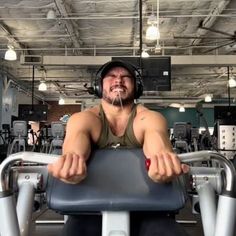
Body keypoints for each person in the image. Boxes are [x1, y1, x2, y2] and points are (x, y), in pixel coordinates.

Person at [47, 60, 190, 236]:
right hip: (90, 211)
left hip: (148, 210)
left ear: (136, 86)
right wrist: (71, 163)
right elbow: (76, 146)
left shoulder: (149, 117)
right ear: (99, 87)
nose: (118, 80)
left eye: (125, 77)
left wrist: (161, 162)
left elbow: (156, 139)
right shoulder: (83, 118)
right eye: (112, 76)